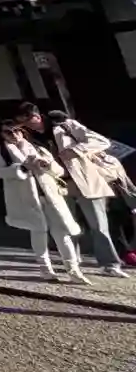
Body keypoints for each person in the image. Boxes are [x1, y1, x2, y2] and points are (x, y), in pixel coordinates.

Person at [0, 118, 87, 283]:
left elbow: (59, 170)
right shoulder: (1, 151)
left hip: (50, 195)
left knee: (62, 231)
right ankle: (46, 269)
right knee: (39, 232)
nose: (14, 135)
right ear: (2, 134)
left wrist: (47, 164)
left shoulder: (36, 147)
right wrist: (22, 168)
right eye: (8, 132)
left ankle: (73, 270)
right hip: (26, 198)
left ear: (22, 131)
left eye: (16, 130)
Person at [48, 111, 129, 278]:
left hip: (86, 181)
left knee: (99, 226)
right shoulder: (33, 135)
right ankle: (72, 261)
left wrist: (76, 150)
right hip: (61, 183)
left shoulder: (69, 126)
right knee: (68, 225)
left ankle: (110, 264)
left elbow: (101, 141)